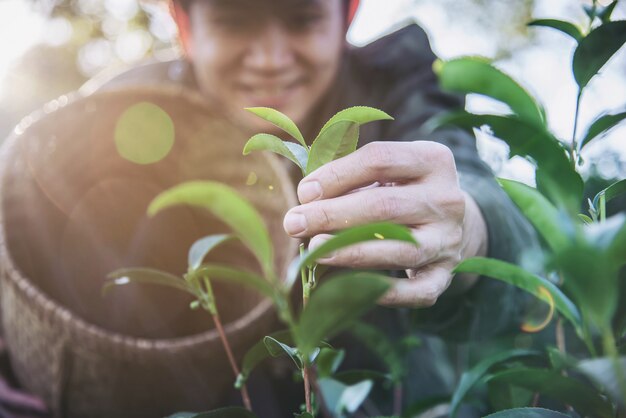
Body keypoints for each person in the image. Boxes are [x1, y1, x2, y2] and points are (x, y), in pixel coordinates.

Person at [16, 0, 537, 416]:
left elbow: (473, 189)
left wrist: (470, 225)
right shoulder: (124, 112)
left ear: (344, 17)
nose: (269, 57)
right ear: (186, 25)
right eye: (234, 20)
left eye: (302, 18)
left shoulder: (395, 84)